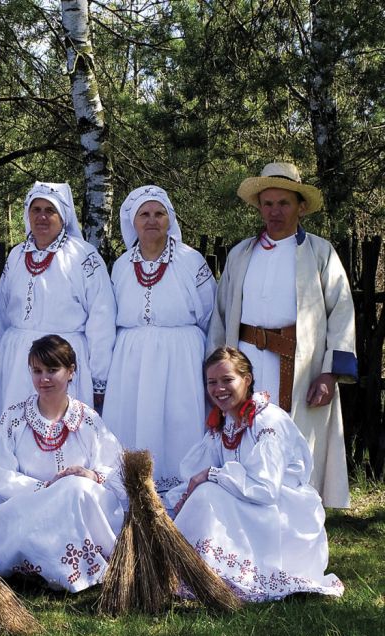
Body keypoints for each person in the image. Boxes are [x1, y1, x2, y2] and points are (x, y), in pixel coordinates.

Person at [207, 162, 357, 508]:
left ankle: (295, 518)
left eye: (284, 203)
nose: (275, 211)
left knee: (293, 441)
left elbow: (342, 313)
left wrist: (329, 371)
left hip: (299, 366)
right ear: (259, 206)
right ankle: (245, 513)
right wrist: (215, 372)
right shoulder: (241, 254)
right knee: (247, 436)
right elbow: (221, 314)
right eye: (268, 203)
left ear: (300, 206)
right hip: (245, 363)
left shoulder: (320, 253)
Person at [0, 182, 115, 499]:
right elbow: (4, 313)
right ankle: (14, 495)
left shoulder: (84, 257)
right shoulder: (16, 255)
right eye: (35, 209)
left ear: (63, 215)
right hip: (15, 361)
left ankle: (63, 494)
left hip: (62, 357)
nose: (42, 216)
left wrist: (101, 376)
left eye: (49, 210)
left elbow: (102, 318)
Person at [168, 346, 343, 601]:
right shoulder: (226, 422)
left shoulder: (268, 422)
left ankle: (212, 574)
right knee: (196, 496)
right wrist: (183, 496)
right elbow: (197, 474)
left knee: (207, 495)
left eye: (227, 380)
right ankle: (193, 572)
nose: (219, 389)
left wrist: (212, 476)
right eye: (212, 382)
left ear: (246, 380)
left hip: (280, 510)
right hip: (247, 502)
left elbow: (265, 489)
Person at [0, 335, 125, 592]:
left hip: (77, 507)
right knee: (67, 490)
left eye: (53, 370)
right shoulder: (13, 419)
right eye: (37, 371)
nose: (44, 378)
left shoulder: (88, 420)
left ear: (71, 372)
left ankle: (71, 566)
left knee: (75, 488)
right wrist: (46, 489)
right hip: (27, 504)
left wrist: (90, 475)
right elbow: (1, 475)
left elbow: (112, 467)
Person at [103, 185, 216, 493]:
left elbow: (209, 315)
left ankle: (179, 495)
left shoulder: (191, 261)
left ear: (170, 219)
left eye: (159, 213)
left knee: (179, 424)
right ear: (132, 222)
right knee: (134, 425)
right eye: (144, 214)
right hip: (132, 361)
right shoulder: (122, 266)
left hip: (181, 358)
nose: (151, 220)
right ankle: (134, 497)